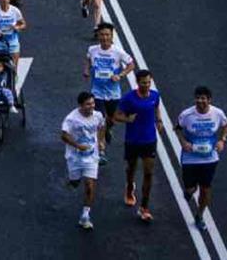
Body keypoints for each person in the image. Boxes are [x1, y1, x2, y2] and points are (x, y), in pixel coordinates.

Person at [176, 86, 227, 230]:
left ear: (209, 100)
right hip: (190, 158)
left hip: (210, 158)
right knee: (191, 189)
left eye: (203, 98)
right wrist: (183, 142)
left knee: (206, 188)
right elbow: (178, 128)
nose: (200, 101)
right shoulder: (187, 115)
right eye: (198, 98)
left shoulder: (217, 113)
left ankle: (199, 216)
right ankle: (189, 191)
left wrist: (222, 140)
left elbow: (226, 125)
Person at [113, 69, 163, 221]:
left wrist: (159, 121)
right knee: (131, 168)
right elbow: (116, 115)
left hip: (149, 140)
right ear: (137, 82)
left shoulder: (155, 95)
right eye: (143, 83)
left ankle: (144, 207)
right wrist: (128, 119)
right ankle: (129, 187)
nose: (146, 85)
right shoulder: (129, 98)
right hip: (133, 140)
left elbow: (156, 108)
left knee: (148, 173)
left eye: (148, 82)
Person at [85, 22, 133, 156]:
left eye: (107, 35)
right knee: (100, 119)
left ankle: (108, 128)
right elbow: (88, 60)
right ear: (98, 35)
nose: (104, 38)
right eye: (102, 35)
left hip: (113, 93)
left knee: (111, 119)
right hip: (97, 91)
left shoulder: (118, 52)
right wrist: (86, 70)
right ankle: (101, 149)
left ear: (112, 36)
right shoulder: (92, 49)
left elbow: (131, 64)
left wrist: (120, 75)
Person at [61, 91, 106, 230]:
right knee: (75, 183)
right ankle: (72, 180)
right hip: (74, 156)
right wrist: (78, 146)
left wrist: (101, 141)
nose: (91, 106)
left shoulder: (98, 116)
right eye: (88, 104)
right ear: (81, 105)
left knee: (89, 184)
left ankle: (85, 215)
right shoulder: (71, 119)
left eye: (92, 103)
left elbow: (102, 127)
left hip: (92, 157)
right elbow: (64, 136)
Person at [0, 0, 26, 68]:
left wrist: (18, 27)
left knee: (13, 67)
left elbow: (23, 24)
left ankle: (13, 78)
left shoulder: (15, 11)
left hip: (12, 41)